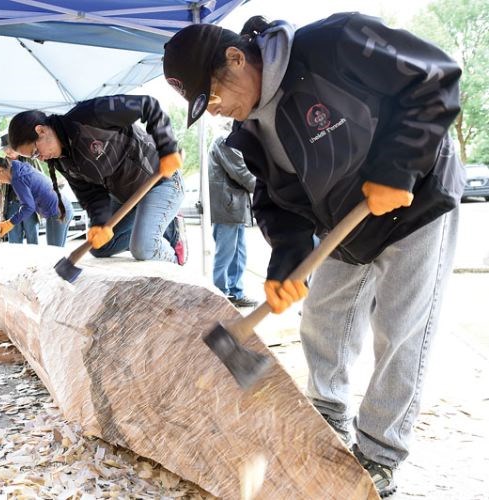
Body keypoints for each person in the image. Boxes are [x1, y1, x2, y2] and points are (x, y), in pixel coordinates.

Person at [163, 13, 465, 497]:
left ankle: (380, 452)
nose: (217, 112)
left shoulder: (334, 44)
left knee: (400, 330)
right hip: (344, 221)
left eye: (214, 97)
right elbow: (276, 198)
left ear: (237, 59)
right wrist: (287, 256)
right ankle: (327, 416)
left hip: (416, 199)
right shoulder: (250, 130)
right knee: (323, 318)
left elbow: (435, 76)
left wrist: (398, 167)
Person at [7, 95, 187, 265]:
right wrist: (100, 223)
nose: (41, 158)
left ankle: (174, 251)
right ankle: (155, 229)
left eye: (36, 152)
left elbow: (148, 105)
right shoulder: (63, 162)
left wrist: (167, 147)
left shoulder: (91, 114)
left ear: (41, 130)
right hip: (128, 199)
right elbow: (91, 195)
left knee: (142, 248)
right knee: (100, 247)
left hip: (162, 180)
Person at [208, 126, 257, 308]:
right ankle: (220, 296)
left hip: (234, 207)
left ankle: (235, 293)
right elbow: (242, 173)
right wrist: (268, 189)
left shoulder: (230, 139)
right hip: (228, 207)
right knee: (226, 254)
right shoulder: (225, 140)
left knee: (238, 253)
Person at [0, 156, 74, 247]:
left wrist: (10, 223)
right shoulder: (21, 168)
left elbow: (28, 207)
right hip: (64, 207)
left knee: (53, 252)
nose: (0, 183)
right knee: (58, 252)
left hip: (56, 213)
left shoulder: (18, 179)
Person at [0, 134, 41, 245]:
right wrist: (1, 214)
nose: (7, 151)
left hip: (30, 206)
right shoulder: (1, 165)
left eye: (9, 147)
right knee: (14, 241)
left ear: (16, 146)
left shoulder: (31, 160)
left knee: (32, 239)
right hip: (11, 207)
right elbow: (0, 193)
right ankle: (17, 262)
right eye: (4, 149)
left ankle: (34, 262)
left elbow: (42, 182)